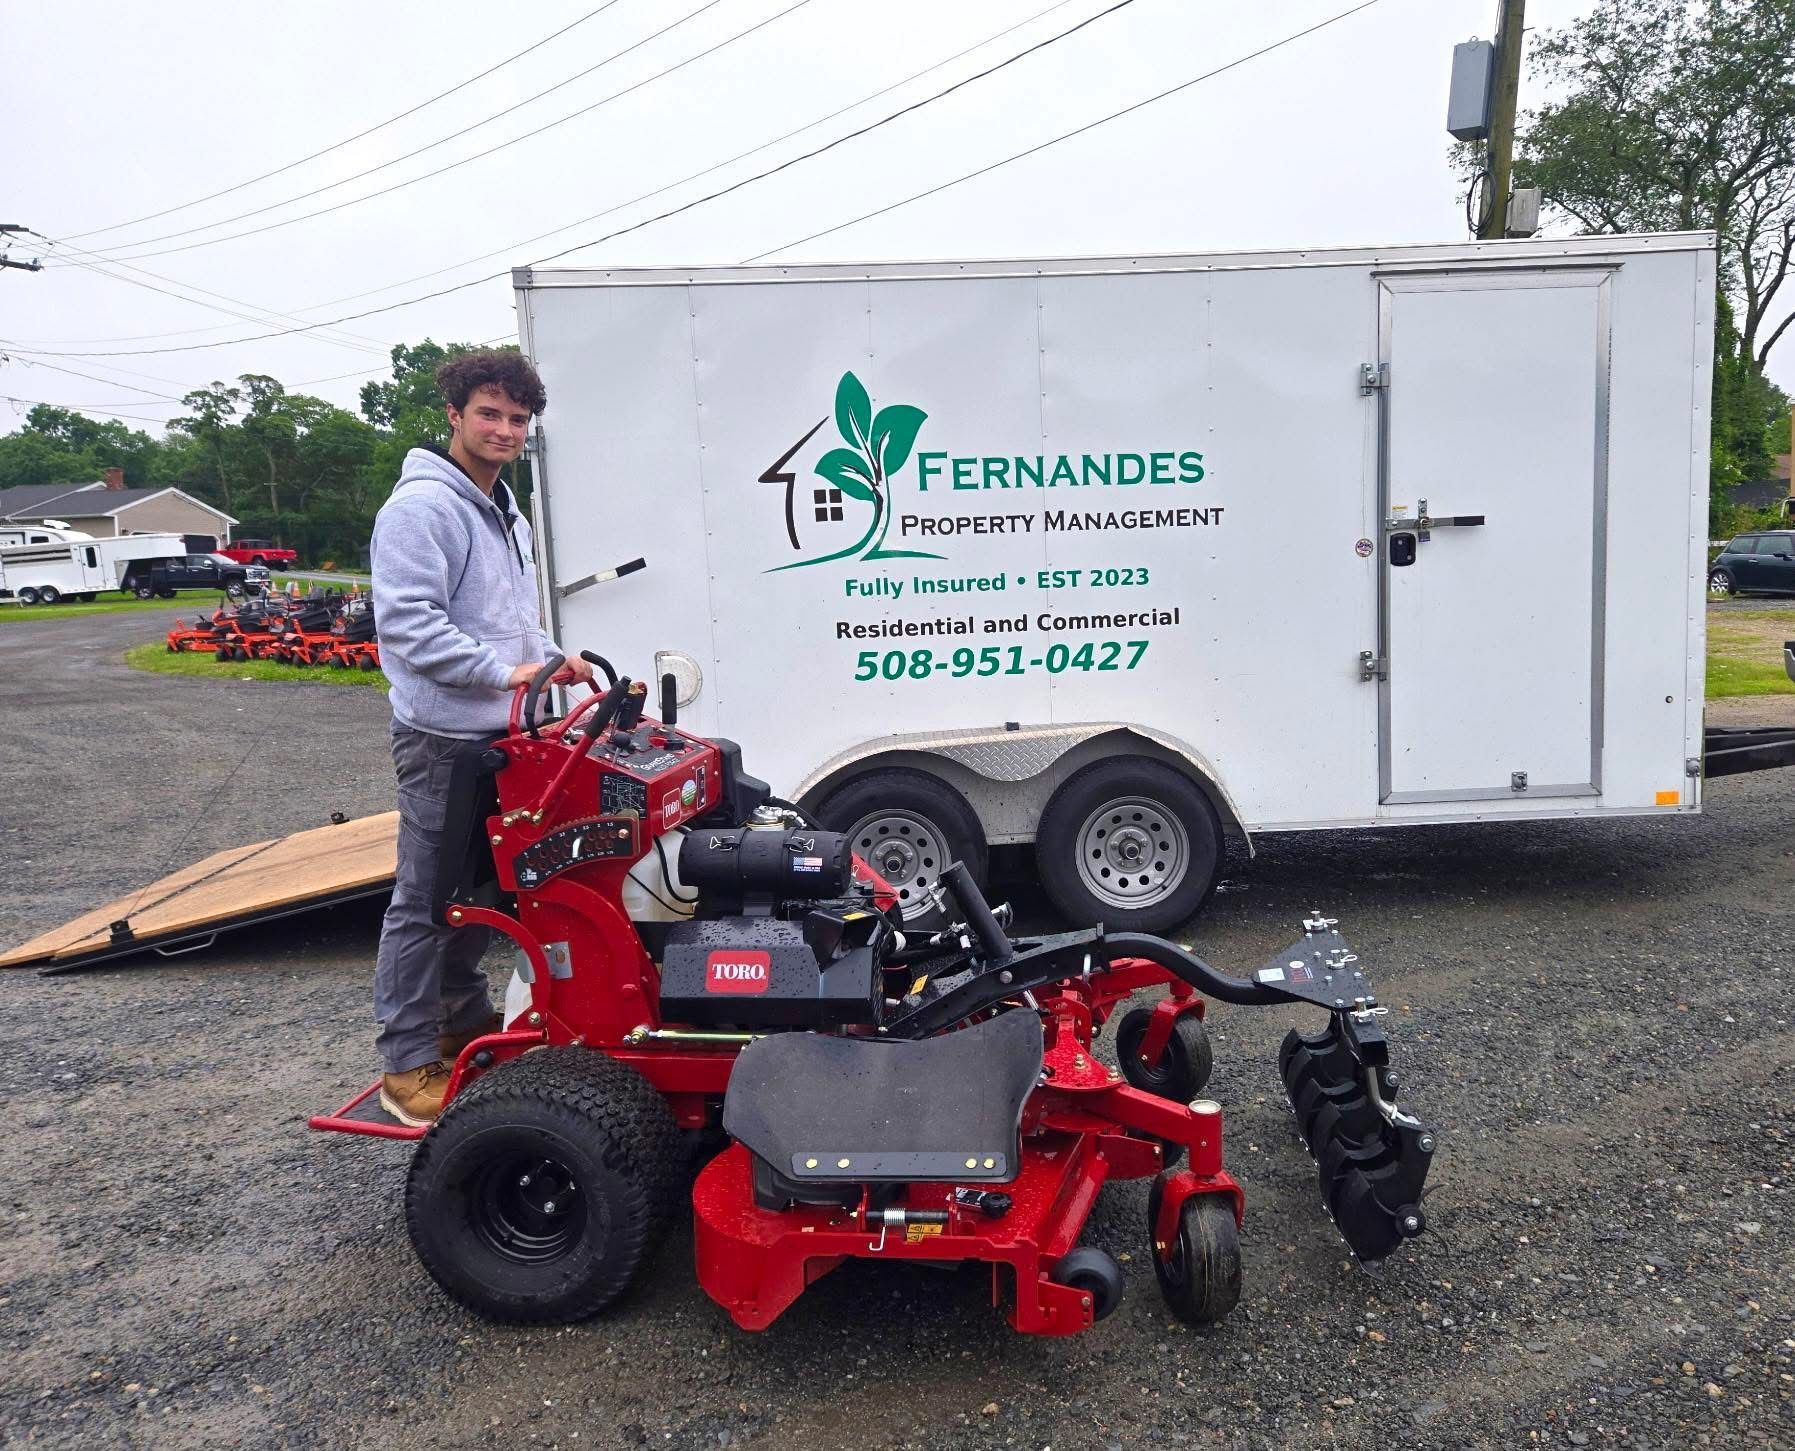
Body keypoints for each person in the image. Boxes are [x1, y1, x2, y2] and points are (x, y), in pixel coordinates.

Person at [368, 349, 593, 1126]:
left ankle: (462, 1028)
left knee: (479, 897)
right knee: (424, 902)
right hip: (442, 738)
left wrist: (551, 663)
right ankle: (405, 1066)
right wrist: (509, 674)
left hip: (503, 738)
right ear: (454, 415)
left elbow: (514, 619)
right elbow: (408, 626)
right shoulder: (422, 509)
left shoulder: (504, 511)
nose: (503, 430)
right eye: (489, 414)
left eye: (517, 419)